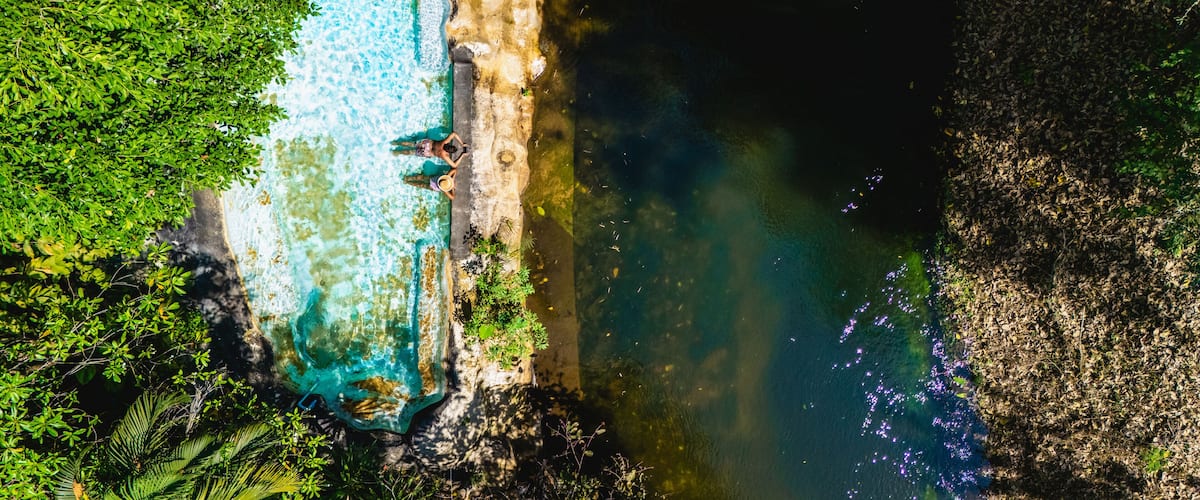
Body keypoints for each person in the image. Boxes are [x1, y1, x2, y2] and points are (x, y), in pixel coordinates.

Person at [392, 132, 469, 168]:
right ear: (449, 152)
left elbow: (454, 134)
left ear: (449, 145)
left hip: (427, 144)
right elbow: (454, 165)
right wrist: (462, 155)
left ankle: (395, 143)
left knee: (411, 144)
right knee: (411, 152)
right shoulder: (445, 155)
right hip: (427, 152)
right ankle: (397, 152)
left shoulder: (444, 142)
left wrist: (462, 143)